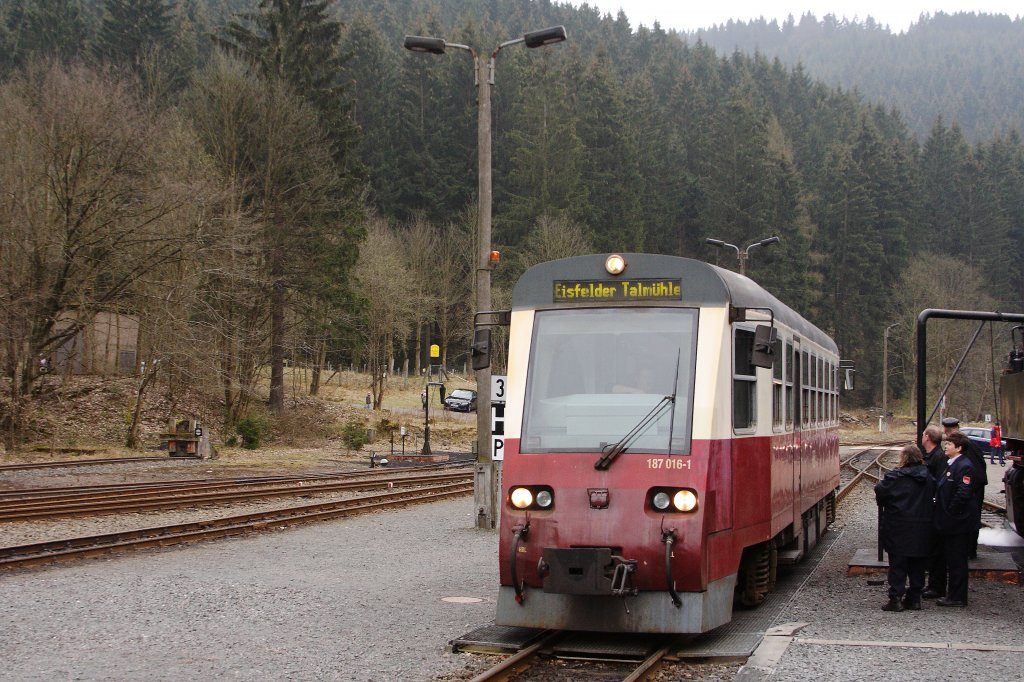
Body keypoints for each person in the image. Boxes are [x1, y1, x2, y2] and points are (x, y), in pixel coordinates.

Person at [874, 444, 935, 611]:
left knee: (898, 565)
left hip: (898, 526)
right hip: (922, 526)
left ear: (904, 458)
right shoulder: (928, 477)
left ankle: (896, 598)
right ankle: (914, 598)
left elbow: (880, 490)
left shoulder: (895, 477)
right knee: (918, 564)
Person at [925, 431, 979, 607]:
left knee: (957, 561)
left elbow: (962, 494)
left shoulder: (964, 466)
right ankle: (941, 589)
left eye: (949, 444)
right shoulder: (952, 464)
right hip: (948, 521)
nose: (945, 446)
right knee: (944, 556)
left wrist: (950, 513)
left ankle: (957, 597)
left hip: (957, 523)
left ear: (959, 448)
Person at [941, 417, 987, 558]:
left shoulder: (968, 449)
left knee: (969, 522)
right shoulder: (970, 446)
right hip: (969, 490)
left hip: (971, 492)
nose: (947, 445)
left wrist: (966, 492)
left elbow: (976, 474)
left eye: (948, 442)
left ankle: (969, 550)